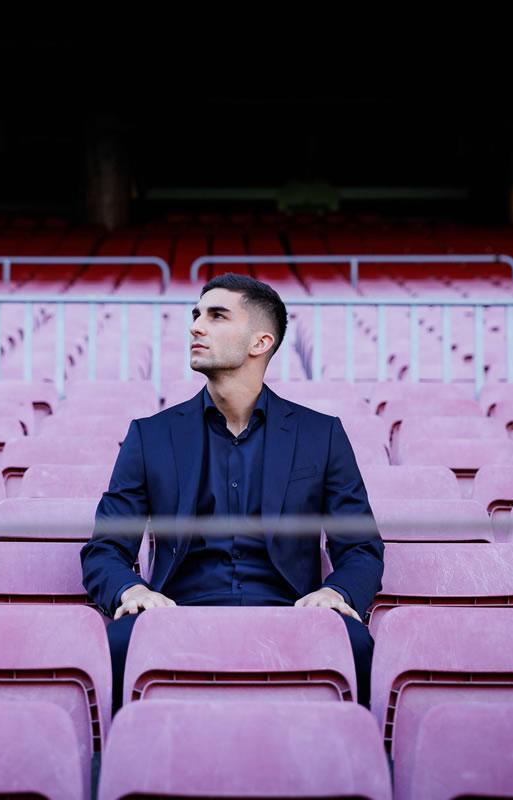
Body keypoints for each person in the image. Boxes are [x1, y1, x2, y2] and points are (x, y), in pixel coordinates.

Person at [80, 273, 384, 710]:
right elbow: (105, 548)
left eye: (217, 316)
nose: (196, 326)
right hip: (176, 609)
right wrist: (132, 591)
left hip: (291, 609)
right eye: (196, 315)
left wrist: (336, 593)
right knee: (118, 644)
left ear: (260, 343)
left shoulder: (322, 435)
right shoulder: (150, 435)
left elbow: (360, 548)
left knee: (354, 643)